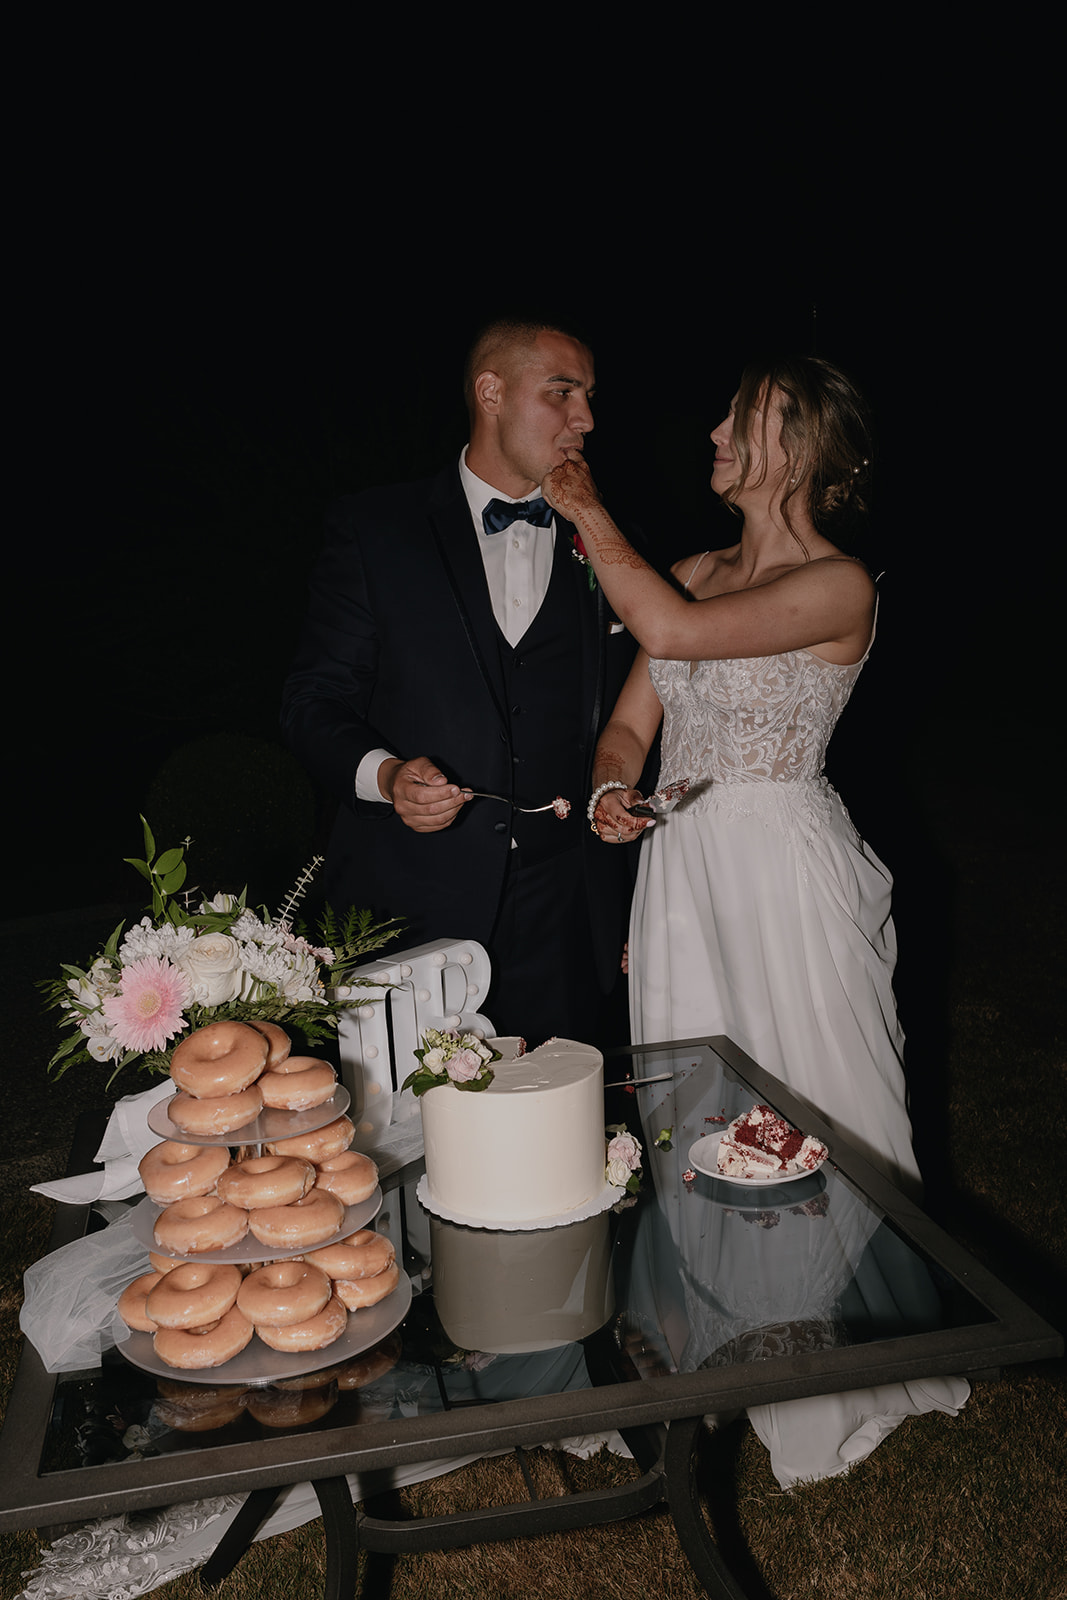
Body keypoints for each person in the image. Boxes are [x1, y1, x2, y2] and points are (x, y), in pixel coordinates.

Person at [542, 353, 969, 1486]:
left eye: (745, 418)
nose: (717, 430)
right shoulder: (686, 567)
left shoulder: (840, 586)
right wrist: (607, 790)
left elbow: (674, 638)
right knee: (699, 1117)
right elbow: (630, 723)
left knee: (819, 1103)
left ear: (805, 450)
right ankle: (728, 1336)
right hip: (684, 876)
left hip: (785, 872)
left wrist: (582, 504)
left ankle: (836, 1351)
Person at [281, 318, 638, 1044]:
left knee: (560, 1134)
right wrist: (384, 778)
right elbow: (312, 701)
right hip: (410, 908)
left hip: (564, 912)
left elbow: (633, 709)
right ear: (491, 392)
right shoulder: (376, 528)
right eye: (562, 393)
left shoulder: (602, 537)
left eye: (589, 397)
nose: (586, 419)